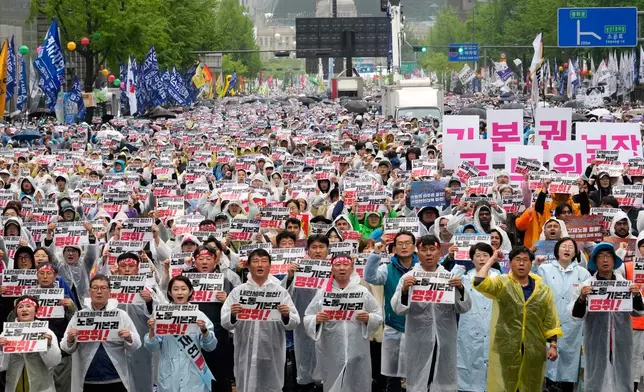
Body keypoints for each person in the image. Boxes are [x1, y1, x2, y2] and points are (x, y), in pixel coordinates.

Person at [474, 246, 563, 392]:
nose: (521, 264)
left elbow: (550, 319)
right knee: (507, 385)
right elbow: (479, 282)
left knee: (532, 385)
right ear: (510, 263)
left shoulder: (542, 290)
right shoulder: (501, 283)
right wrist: (492, 260)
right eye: (517, 260)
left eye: (525, 260)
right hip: (507, 345)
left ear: (531, 263)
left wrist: (553, 344)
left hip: (534, 347)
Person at [392, 235, 471, 391]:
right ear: (417, 253)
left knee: (444, 379)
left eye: (432, 249)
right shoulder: (408, 278)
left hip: (444, 338)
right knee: (419, 380)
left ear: (439, 253)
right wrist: (404, 290)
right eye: (424, 250)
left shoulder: (449, 278)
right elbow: (398, 309)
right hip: (418, 340)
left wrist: (461, 289)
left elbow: (464, 308)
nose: (428, 253)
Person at [221, 248, 300, 392]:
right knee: (246, 385)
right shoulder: (238, 292)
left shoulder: (280, 292)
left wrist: (286, 315)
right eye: (256, 261)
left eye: (264, 261)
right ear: (249, 266)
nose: (260, 265)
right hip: (245, 349)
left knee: (271, 386)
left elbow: (294, 322)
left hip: (271, 350)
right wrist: (232, 314)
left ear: (270, 266)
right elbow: (225, 322)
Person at [570, 242, 644, 392]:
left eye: (608, 256)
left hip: (622, 340)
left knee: (622, 377)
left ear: (614, 260)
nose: (605, 260)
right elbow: (576, 315)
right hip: (596, 341)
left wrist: (636, 296)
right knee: (596, 378)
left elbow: (639, 312)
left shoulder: (626, 285)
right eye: (601, 256)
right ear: (595, 261)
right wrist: (582, 298)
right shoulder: (586, 285)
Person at [303, 254, 382, 392]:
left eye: (345, 265)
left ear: (352, 268)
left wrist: (369, 318)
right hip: (332, 348)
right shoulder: (323, 293)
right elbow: (308, 316)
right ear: (332, 269)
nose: (341, 268)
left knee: (358, 381)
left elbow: (378, 314)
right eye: (337, 265)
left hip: (358, 347)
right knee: (333, 382)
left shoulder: (361, 292)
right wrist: (316, 319)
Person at [61, 274, 142, 392]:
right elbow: (65, 348)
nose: (99, 291)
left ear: (109, 291)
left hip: (115, 377)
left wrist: (129, 337)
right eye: (95, 288)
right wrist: (70, 339)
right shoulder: (79, 316)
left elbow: (136, 345)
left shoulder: (120, 315)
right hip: (87, 379)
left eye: (103, 288)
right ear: (89, 291)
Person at [364, 231, 419, 392]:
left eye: (407, 243)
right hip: (394, 325)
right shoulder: (386, 269)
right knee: (393, 376)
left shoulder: (421, 267)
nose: (404, 247)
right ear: (393, 248)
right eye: (399, 244)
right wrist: (376, 253)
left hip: (418, 326)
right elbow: (370, 277)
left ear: (414, 246)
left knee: (416, 374)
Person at [535, 237, 589, 392]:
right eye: (563, 246)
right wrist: (535, 264)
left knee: (568, 371)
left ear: (575, 252)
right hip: (548, 325)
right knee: (548, 370)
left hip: (573, 328)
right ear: (556, 250)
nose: (567, 249)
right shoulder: (544, 269)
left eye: (571, 247)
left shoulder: (583, 273)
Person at [145, 275, 217, 392]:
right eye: (175, 289)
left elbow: (211, 346)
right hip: (168, 372)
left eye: (183, 289)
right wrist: (152, 331)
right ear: (169, 292)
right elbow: (152, 347)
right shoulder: (161, 315)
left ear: (190, 292)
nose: (180, 293)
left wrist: (204, 331)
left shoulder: (199, 315)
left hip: (193, 371)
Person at [456, 243, 500, 392]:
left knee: (493, 363)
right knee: (469, 362)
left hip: (493, 325)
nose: (481, 259)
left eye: (485, 255)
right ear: (472, 259)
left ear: (491, 258)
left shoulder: (499, 277)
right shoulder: (464, 278)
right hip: (469, 327)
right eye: (478, 255)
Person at [0, 295, 62, 392]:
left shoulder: (46, 332)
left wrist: (48, 346)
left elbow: (55, 362)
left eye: (28, 306)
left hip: (42, 386)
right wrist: (1, 349)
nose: (24, 309)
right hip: (15, 384)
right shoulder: (6, 333)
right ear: (16, 312)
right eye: (20, 307)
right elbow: (1, 366)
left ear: (36, 311)